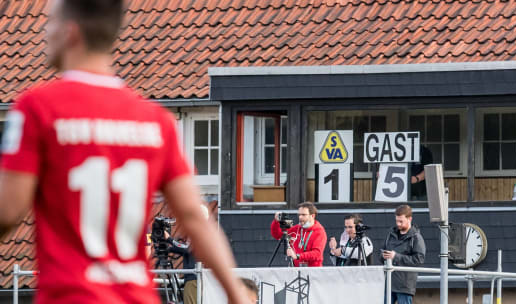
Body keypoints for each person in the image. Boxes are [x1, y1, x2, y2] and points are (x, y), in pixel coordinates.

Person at [0, 1, 249, 303]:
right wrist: (236, 294)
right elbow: (195, 220)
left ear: (71, 33)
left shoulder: (37, 108)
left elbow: (7, 212)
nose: (43, 33)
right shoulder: (156, 122)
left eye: (49, 23)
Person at [380, 205, 426, 304]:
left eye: (401, 221)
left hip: (405, 286)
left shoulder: (416, 238)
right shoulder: (390, 235)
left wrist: (395, 256)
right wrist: (384, 256)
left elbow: (419, 260)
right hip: (389, 283)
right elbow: (382, 253)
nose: (398, 224)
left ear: (410, 219)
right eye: (397, 221)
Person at [270, 202, 327, 267]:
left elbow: (317, 254)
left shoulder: (319, 232)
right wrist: (276, 222)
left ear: (312, 216)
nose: (300, 217)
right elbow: (278, 235)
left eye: (303, 215)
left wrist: (297, 256)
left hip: (312, 271)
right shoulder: (297, 228)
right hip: (296, 269)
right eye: (299, 215)